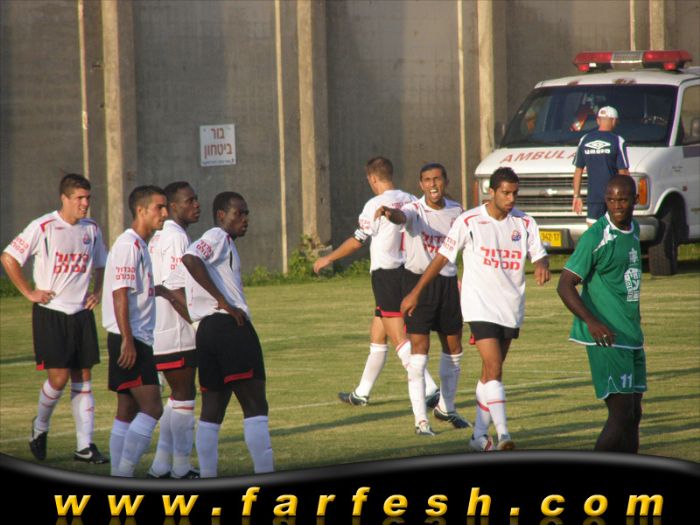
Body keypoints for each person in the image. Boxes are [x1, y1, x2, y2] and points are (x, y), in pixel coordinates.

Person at [402, 167, 550, 451]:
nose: (511, 199)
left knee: (492, 373)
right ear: (491, 192)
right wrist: (416, 292)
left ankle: (478, 436)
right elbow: (442, 257)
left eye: (515, 193)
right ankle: (504, 435)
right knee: (493, 366)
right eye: (505, 193)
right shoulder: (468, 220)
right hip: (479, 305)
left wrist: (542, 264)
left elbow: (539, 254)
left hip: (511, 306)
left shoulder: (525, 222)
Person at [313, 156, 440, 408]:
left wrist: (328, 258)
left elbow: (357, 241)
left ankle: (431, 388)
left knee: (399, 338)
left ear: (372, 178)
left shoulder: (375, 204)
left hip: (387, 275)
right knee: (378, 335)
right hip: (408, 272)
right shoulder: (410, 199)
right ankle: (361, 393)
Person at [1, 174, 109, 464]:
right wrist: (29, 292)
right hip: (52, 312)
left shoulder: (92, 229)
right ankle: (40, 426)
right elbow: (9, 258)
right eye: (79, 198)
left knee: (83, 376)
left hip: (81, 313)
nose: (85, 204)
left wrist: (98, 291)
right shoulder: (43, 226)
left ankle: (84, 446)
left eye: (88, 198)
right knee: (59, 378)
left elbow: (102, 263)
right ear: (64, 198)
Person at [182, 192, 274, 476]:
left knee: (212, 410)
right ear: (221, 215)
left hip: (207, 330)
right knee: (255, 406)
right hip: (229, 327)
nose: (245, 219)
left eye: (246, 214)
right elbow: (190, 258)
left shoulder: (226, 242)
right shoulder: (218, 236)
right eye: (239, 213)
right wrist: (223, 301)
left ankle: (208, 476)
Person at [376, 163, 468, 435]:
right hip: (416, 283)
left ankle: (446, 408)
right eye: (427, 180)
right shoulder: (414, 209)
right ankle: (421, 421)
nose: (433, 184)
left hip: (447, 284)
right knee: (419, 350)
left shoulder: (457, 211)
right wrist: (390, 213)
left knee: (454, 347)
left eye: (437, 179)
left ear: (446, 181)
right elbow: (400, 217)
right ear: (421, 184)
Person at [557, 175, 645, 453]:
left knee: (634, 414)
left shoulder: (634, 230)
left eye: (623, 200)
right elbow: (565, 285)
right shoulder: (596, 236)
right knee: (621, 414)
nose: (616, 205)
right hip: (607, 337)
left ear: (635, 200)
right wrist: (592, 322)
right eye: (611, 199)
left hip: (631, 335)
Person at [102, 185, 168, 476]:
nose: (164, 213)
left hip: (133, 336)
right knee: (153, 408)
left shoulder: (140, 245)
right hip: (131, 338)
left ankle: (118, 474)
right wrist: (128, 339)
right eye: (159, 207)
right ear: (140, 210)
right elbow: (120, 294)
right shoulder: (129, 245)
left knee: (127, 411)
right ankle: (125, 472)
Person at [146, 182, 201, 479]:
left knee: (177, 398)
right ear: (172, 206)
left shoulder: (159, 236)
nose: (196, 205)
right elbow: (172, 287)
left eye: (196, 199)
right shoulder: (176, 237)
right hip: (175, 329)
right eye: (189, 201)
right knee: (184, 394)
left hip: (159, 327)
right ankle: (181, 467)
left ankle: (160, 465)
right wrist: (197, 323)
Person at [572, 106, 630, 224]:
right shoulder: (617, 140)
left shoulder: (584, 139)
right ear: (614, 121)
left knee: (594, 230)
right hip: (614, 197)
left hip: (593, 198)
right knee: (615, 229)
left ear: (598, 121)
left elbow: (578, 170)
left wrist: (576, 196)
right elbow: (623, 172)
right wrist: (629, 195)